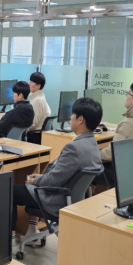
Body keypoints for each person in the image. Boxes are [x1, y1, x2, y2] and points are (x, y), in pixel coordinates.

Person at [11, 98, 103, 252]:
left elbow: (52, 181)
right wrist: (40, 178)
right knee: (31, 182)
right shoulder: (93, 144)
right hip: (71, 197)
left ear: (80, 119)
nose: (70, 118)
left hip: (55, 198)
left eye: (72, 115)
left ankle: (11, 239)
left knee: (9, 191)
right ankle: (32, 230)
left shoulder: (74, 148)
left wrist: (36, 180)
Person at [98, 83, 133, 185]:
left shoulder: (128, 124)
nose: (126, 96)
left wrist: (93, 154)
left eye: (128, 93)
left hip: (122, 175)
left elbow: (112, 154)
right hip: (128, 171)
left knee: (84, 168)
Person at [27, 72, 52, 144]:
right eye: (30, 81)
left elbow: (33, 124)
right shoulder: (40, 97)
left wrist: (20, 128)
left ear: (38, 86)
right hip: (38, 136)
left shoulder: (37, 101)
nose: (29, 84)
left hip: (34, 137)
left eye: (32, 82)